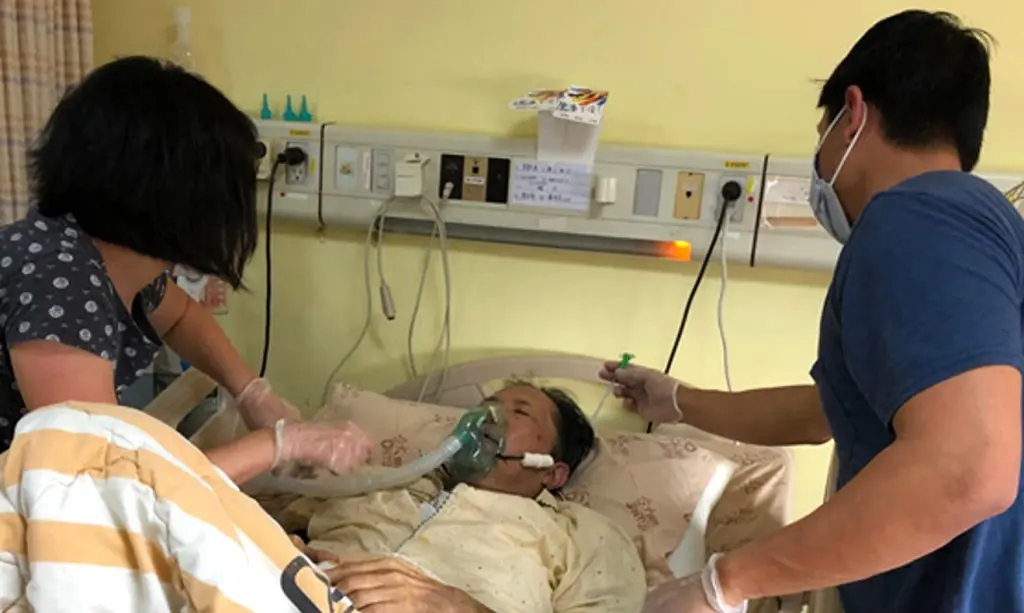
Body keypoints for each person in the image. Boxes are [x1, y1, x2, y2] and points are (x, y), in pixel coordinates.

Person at [603, 10, 1023, 613]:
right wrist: (677, 401)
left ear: (852, 115)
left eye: (821, 132)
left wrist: (723, 584)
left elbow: (968, 468)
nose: (820, 164)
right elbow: (826, 413)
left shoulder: (916, 221)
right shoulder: (975, 227)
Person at [0, 55, 372, 483]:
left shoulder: (107, 260)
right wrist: (278, 445)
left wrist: (251, 392)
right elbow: (101, 484)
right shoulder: (60, 280)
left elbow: (181, 317)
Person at [286, 382, 646, 613]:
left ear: (552, 472)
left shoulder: (582, 535)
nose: (487, 417)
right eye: (486, 405)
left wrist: (459, 607)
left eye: (519, 412)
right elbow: (276, 516)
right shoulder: (381, 481)